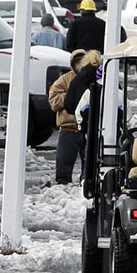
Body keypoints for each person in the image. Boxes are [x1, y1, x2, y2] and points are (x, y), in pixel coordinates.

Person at [48, 49, 87, 184]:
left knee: (88, 160)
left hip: (87, 127)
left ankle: (85, 183)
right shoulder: (64, 80)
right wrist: (71, 96)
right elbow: (53, 101)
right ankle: (62, 183)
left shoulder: (91, 77)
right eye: (77, 62)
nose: (80, 65)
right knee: (64, 160)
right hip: (68, 127)